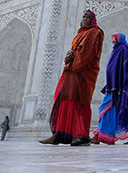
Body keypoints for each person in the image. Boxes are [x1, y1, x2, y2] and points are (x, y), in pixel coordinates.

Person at [40, 10, 103, 146]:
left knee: (80, 104)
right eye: (84, 16)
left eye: (88, 17)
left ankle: (81, 136)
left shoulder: (95, 32)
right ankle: (60, 134)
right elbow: (75, 52)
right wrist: (69, 57)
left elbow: (87, 54)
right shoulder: (80, 33)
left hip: (84, 73)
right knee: (64, 101)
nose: (85, 19)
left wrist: (72, 61)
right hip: (72, 71)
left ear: (92, 19)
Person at [91, 32, 128, 145]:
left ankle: (97, 136)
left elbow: (126, 67)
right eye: (112, 38)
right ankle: (99, 136)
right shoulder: (117, 49)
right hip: (112, 85)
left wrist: (120, 83)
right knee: (117, 109)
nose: (112, 40)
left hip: (119, 85)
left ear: (119, 38)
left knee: (112, 108)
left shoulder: (124, 48)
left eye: (114, 38)